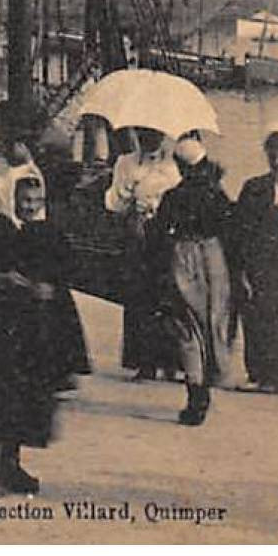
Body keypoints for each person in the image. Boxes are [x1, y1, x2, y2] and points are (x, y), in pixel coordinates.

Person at [0, 176, 72, 494]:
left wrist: (47, 289)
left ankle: (10, 465)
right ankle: (1, 469)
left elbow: (63, 277)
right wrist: (2, 278)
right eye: (25, 201)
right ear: (13, 198)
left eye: (36, 201)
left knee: (22, 398)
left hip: (30, 329)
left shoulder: (49, 234)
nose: (30, 207)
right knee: (1, 395)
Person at [154, 137, 240, 425]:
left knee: (187, 326)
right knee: (213, 322)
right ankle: (210, 380)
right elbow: (232, 230)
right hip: (214, 259)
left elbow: (158, 234)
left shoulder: (174, 196)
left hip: (185, 256)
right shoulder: (217, 194)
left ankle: (196, 392)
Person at [105, 129, 182, 381]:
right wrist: (128, 192)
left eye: (156, 135)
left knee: (169, 294)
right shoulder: (125, 163)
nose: (150, 139)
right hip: (138, 233)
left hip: (166, 232)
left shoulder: (173, 165)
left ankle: (171, 362)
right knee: (140, 294)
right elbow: (114, 203)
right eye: (144, 134)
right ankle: (144, 361)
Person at [230, 129, 278, 393]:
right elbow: (241, 230)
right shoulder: (255, 188)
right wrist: (242, 267)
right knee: (260, 315)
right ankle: (260, 374)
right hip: (264, 261)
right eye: (272, 156)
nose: (277, 162)